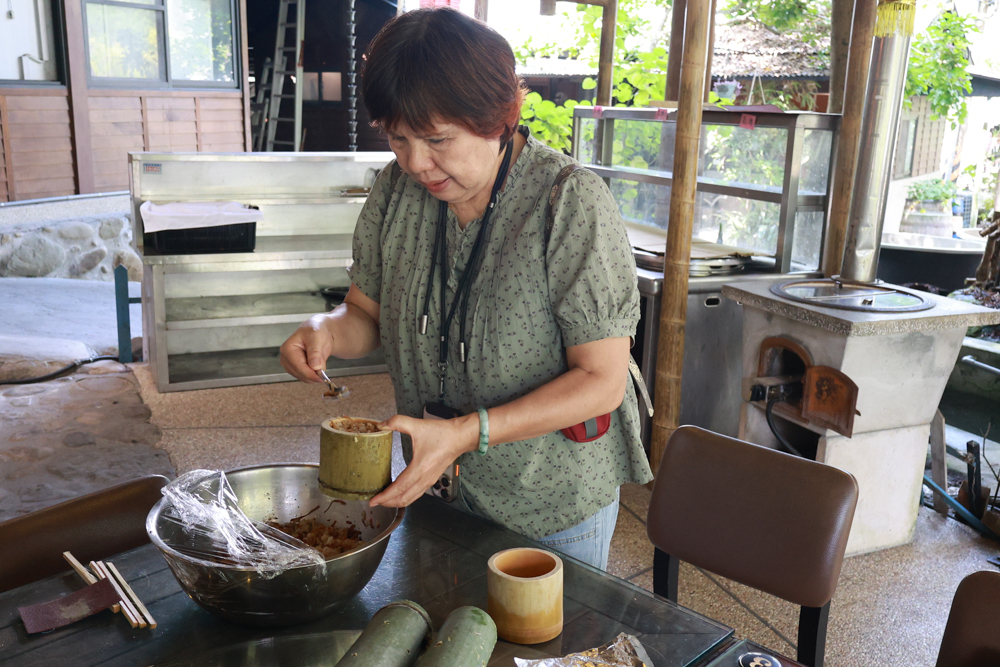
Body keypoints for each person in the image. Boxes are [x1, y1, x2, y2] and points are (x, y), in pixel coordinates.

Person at [279, 7, 652, 571]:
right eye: (398, 139)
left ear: (502, 117)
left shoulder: (567, 202)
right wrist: (323, 331)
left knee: (541, 652)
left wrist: (464, 433)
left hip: (546, 501)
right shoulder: (395, 191)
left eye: (437, 140)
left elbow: (601, 382)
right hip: (436, 487)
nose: (417, 163)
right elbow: (364, 313)